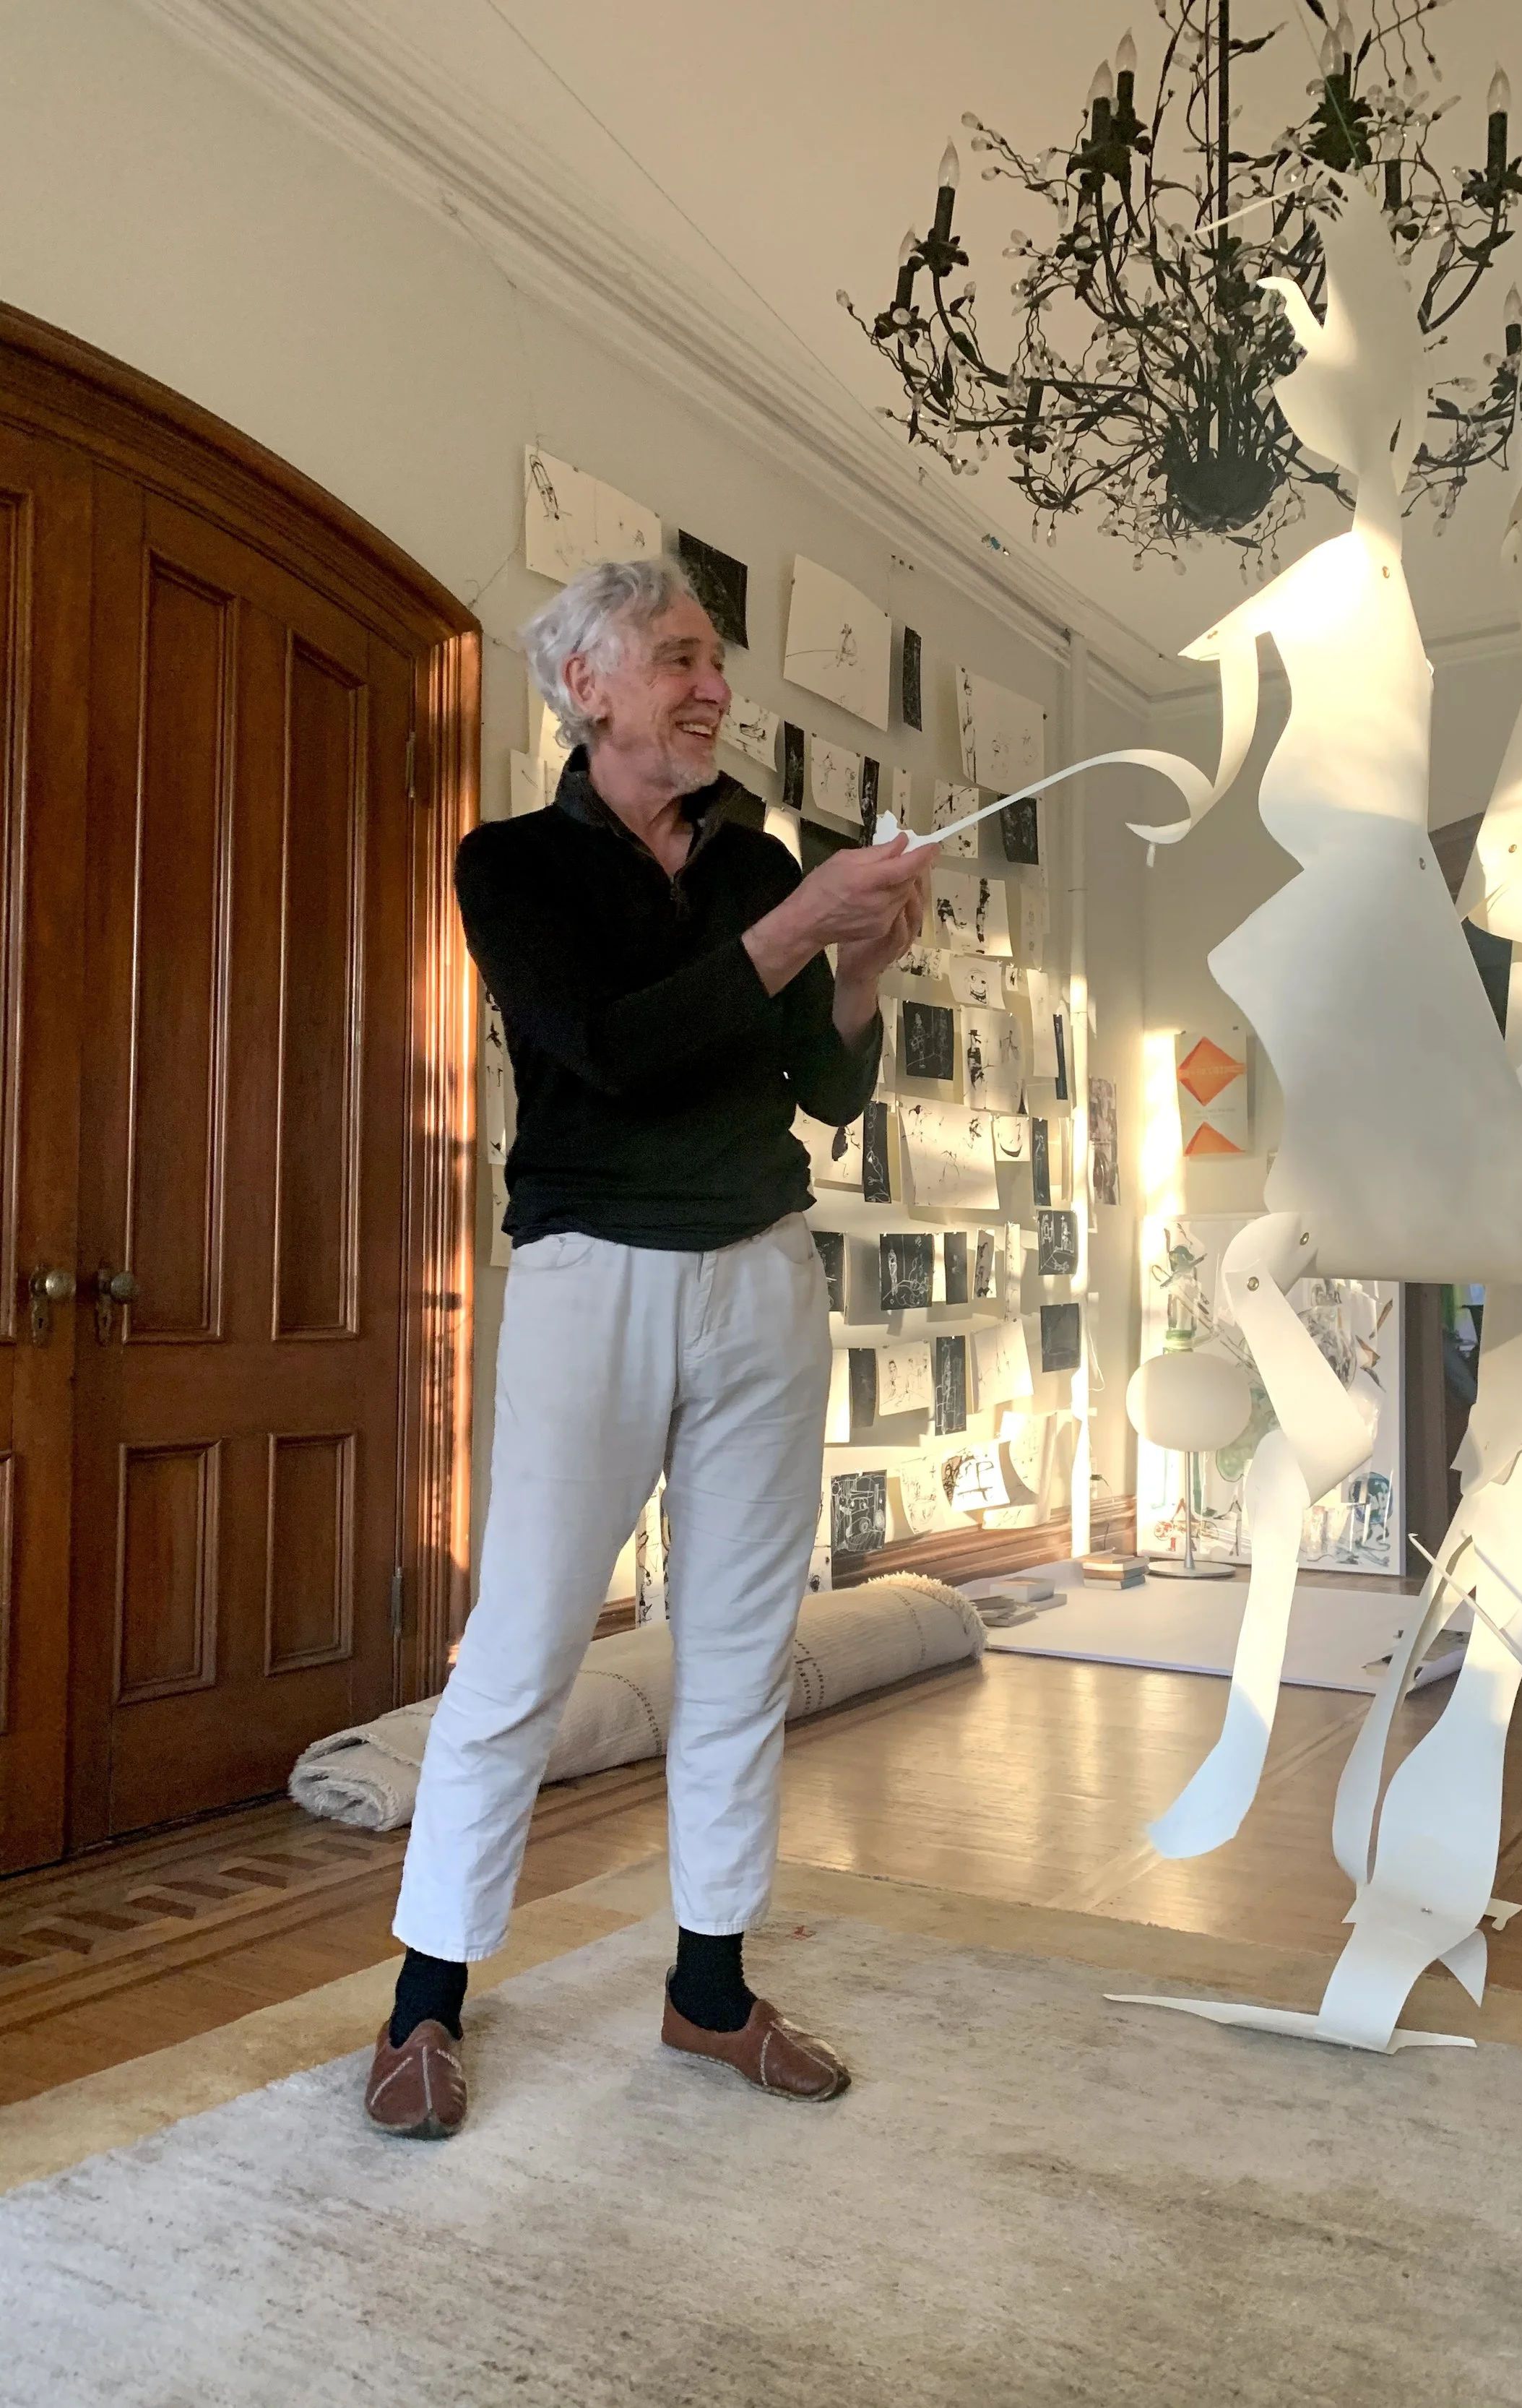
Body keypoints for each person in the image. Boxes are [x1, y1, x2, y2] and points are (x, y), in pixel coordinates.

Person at [364, 558, 935, 2139]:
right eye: (678, 659)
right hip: (590, 1269)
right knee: (528, 1639)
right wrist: (796, 929)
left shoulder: (757, 867)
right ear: (585, 684)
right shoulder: (511, 868)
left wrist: (867, 957)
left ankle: (707, 1985)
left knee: (743, 1644)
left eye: (713, 665)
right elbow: (605, 1054)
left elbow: (819, 1095)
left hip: (760, 1269)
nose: (711, 688)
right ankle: (424, 2001)